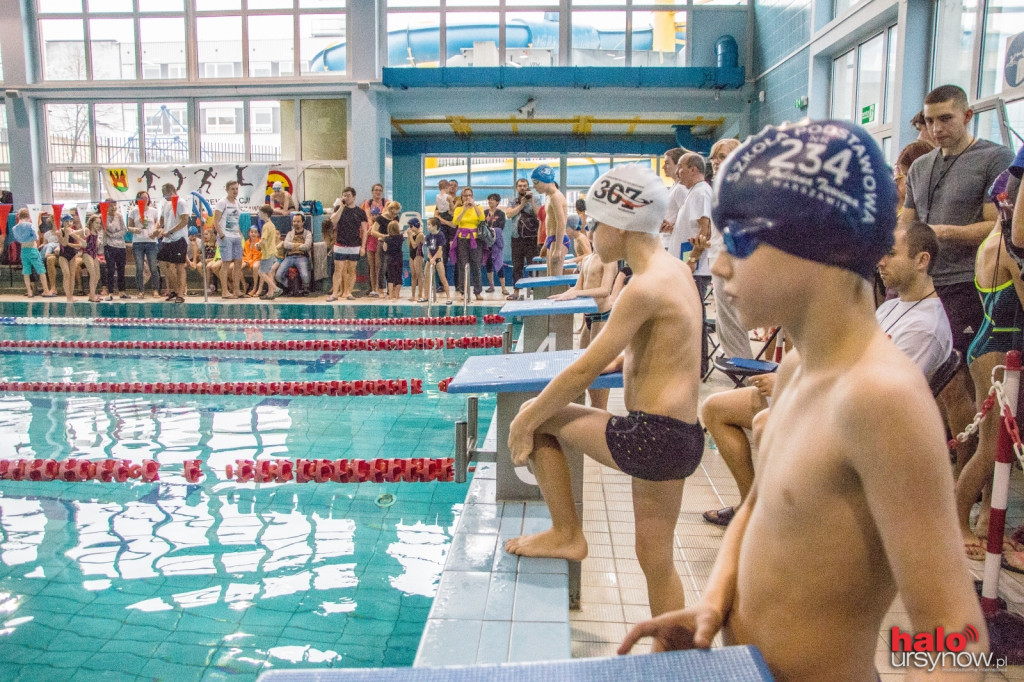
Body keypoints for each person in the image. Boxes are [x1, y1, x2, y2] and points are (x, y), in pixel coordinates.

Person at [621, 120, 988, 679]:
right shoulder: (797, 370)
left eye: (739, 240)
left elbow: (955, 630)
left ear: (818, 246)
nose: (718, 263)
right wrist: (713, 603)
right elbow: (756, 506)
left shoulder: (880, 398)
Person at [504, 164, 704, 626]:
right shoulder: (674, 271)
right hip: (682, 437)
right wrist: (626, 363)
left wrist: (526, 418)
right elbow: (669, 348)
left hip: (652, 437)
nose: (591, 232)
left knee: (542, 416)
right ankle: (677, 660)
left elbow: (584, 370)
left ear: (620, 222)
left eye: (595, 222)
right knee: (655, 558)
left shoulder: (643, 287)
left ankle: (567, 532)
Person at [901, 85, 1014, 468]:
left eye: (945, 119)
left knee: (955, 384)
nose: (936, 128)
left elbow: (997, 227)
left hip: (966, 281)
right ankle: (929, 459)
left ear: (967, 116)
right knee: (920, 380)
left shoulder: (994, 158)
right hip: (919, 284)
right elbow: (908, 222)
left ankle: (963, 469)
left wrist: (944, 232)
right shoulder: (920, 167)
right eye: (930, 120)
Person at [955, 179, 1024, 561]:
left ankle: (982, 522)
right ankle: (959, 519)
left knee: (998, 446)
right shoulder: (1005, 250)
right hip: (994, 350)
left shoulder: (993, 242)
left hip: (994, 346)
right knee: (989, 447)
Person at [549, 222, 618, 410]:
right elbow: (578, 287)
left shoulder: (609, 259)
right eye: (589, 228)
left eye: (595, 229)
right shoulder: (587, 259)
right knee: (582, 367)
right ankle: (591, 410)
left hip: (602, 317)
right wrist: (564, 294)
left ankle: (600, 411)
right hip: (588, 318)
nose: (591, 232)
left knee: (598, 370)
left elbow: (605, 290)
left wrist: (577, 294)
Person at [875, 221, 954, 380]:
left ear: (922, 260)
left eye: (891, 253)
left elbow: (890, 392)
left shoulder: (925, 327)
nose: (880, 262)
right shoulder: (888, 307)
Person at [706, 137, 752, 361]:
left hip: (732, 261)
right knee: (727, 324)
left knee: (732, 324)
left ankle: (744, 376)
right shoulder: (723, 186)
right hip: (721, 257)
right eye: (714, 157)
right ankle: (742, 371)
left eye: (722, 156)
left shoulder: (738, 187)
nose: (716, 161)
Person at [669, 153, 713, 299]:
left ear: (693, 170)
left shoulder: (701, 192)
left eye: (680, 168)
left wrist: (693, 260)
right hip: (687, 264)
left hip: (695, 269)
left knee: (694, 314)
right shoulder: (694, 192)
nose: (677, 172)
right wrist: (672, 228)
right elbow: (693, 227)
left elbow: (705, 231)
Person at [328, 187, 367, 302]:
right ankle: (335, 294)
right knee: (338, 269)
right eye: (344, 195)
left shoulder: (360, 212)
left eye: (348, 195)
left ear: (354, 197)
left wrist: (363, 246)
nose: (345, 197)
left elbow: (364, 230)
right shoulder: (338, 208)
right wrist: (341, 207)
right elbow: (333, 221)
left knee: (351, 269)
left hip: (354, 245)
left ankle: (348, 292)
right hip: (340, 243)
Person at [506, 177, 541, 298]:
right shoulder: (513, 200)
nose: (523, 188)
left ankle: (536, 291)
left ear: (528, 187)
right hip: (516, 237)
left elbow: (539, 215)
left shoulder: (536, 198)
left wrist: (531, 201)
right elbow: (509, 214)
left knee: (534, 265)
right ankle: (516, 291)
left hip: (531, 238)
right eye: (520, 186)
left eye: (525, 186)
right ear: (517, 187)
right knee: (517, 266)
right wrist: (522, 204)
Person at [156, 183, 191, 303]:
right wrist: (158, 228)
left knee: (179, 266)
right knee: (162, 263)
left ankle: (180, 294)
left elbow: (184, 220)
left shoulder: (181, 202)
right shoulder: (166, 204)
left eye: (165, 193)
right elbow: (162, 219)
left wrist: (170, 231)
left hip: (179, 238)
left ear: (171, 191)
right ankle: (176, 290)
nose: (163, 196)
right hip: (167, 239)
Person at [531, 165, 568, 276]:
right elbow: (550, 224)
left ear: (545, 180)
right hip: (552, 239)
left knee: (555, 280)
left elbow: (561, 223)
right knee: (550, 278)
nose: (534, 186)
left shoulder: (556, 197)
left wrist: (557, 249)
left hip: (558, 240)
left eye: (536, 182)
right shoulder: (549, 197)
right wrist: (545, 244)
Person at [213, 180, 245, 299]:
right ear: (227, 190)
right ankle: (225, 291)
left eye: (236, 189)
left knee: (238, 263)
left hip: (236, 236)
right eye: (232, 189)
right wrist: (221, 235)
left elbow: (236, 221)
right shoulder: (222, 203)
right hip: (226, 236)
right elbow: (215, 220)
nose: (235, 191)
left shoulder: (237, 203)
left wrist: (240, 235)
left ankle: (236, 290)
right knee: (225, 264)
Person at [452, 188, 484, 300]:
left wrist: (474, 205)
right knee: (463, 265)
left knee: (476, 265)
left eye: (470, 195)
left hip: (475, 239)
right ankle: (463, 291)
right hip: (462, 239)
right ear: (462, 197)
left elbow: (482, 218)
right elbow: (455, 222)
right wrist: (464, 209)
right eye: (465, 196)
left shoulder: (478, 207)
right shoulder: (458, 209)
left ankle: (478, 291)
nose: (468, 197)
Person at [127, 190, 160, 298]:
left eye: (146, 198)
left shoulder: (153, 211)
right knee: (139, 268)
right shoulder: (133, 211)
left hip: (151, 242)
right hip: (138, 242)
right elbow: (129, 227)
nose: (144, 200)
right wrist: (135, 230)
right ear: (138, 200)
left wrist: (155, 232)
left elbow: (157, 225)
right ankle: (141, 291)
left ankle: (156, 290)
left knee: (153, 267)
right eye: (142, 198)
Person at [15, 208, 55, 298]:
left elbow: (17, 239)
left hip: (23, 250)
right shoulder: (30, 225)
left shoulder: (16, 227)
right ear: (28, 216)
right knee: (41, 270)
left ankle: (29, 291)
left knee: (26, 271)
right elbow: (35, 237)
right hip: (32, 250)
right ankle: (46, 290)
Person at [275, 213, 312, 296]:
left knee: (305, 275)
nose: (295, 223)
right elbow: (285, 245)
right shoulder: (290, 233)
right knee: (278, 276)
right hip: (289, 257)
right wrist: (298, 245)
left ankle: (305, 288)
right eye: (294, 221)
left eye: (298, 221)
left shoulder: (308, 233)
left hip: (302, 257)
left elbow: (307, 246)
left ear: (303, 222)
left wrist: (292, 246)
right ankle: (290, 286)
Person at [362, 183, 388, 297]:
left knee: (379, 265)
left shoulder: (385, 202)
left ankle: (379, 287)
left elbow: (382, 217)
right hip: (370, 235)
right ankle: (373, 289)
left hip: (379, 234)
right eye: (376, 190)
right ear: (372, 191)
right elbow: (368, 216)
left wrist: (374, 228)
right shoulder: (367, 203)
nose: (377, 192)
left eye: (380, 190)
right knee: (371, 265)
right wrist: (372, 228)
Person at [660, 148, 688, 251]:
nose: (663, 167)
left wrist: (672, 227)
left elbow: (689, 219)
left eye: (667, 163)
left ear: (678, 165)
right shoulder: (674, 187)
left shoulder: (681, 189)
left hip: (675, 244)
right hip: (667, 242)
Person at [482, 193, 508, 295]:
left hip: (496, 242)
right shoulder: (484, 213)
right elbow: (481, 225)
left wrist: (491, 230)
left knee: (499, 263)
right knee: (488, 263)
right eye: (489, 199)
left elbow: (501, 227)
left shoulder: (501, 213)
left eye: (493, 199)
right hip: (486, 242)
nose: (490, 201)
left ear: (497, 202)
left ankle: (503, 287)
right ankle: (491, 286)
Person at [56, 213, 85, 303]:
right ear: (63, 222)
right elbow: (64, 244)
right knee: (67, 275)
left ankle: (71, 296)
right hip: (63, 256)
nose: (69, 223)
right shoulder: (59, 231)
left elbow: (81, 243)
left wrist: (82, 240)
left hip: (72, 255)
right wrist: (67, 234)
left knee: (72, 275)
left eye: (70, 221)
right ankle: (68, 297)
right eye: (67, 221)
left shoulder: (73, 231)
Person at [102, 202, 128, 300]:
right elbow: (109, 228)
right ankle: (111, 292)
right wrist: (114, 232)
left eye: (115, 205)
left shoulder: (120, 216)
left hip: (121, 245)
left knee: (121, 269)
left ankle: (122, 291)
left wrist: (113, 235)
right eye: (111, 206)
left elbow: (124, 230)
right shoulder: (104, 217)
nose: (114, 208)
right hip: (109, 245)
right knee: (111, 269)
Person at [425, 217, 452, 305]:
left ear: (435, 226)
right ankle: (426, 296)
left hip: (438, 259)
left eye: (429, 225)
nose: (427, 226)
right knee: (426, 277)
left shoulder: (440, 235)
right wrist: (430, 259)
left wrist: (434, 258)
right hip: (430, 260)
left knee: (442, 278)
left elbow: (440, 249)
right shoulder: (428, 236)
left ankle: (448, 297)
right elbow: (428, 249)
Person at [257, 219, 283, 300]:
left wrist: (260, 245)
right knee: (267, 272)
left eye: (278, 234)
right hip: (271, 258)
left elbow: (274, 249)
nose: (276, 235)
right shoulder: (270, 243)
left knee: (267, 271)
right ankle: (270, 292)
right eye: (275, 234)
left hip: (278, 260)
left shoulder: (281, 242)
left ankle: (274, 290)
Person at [81, 215, 103, 302]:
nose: (98, 225)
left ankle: (91, 294)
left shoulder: (97, 232)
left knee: (97, 275)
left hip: (94, 254)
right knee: (93, 274)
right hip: (87, 253)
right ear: (91, 222)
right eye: (96, 223)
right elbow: (74, 233)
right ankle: (92, 296)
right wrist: (81, 241)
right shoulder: (87, 230)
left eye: (99, 223)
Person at [382, 220, 405, 300]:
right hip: (399, 257)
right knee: (398, 275)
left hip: (390, 258)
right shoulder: (401, 237)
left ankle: (390, 294)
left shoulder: (387, 238)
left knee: (390, 276)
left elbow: (384, 249)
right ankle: (397, 294)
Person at [406, 217, 426, 302]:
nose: (409, 228)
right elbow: (408, 245)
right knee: (413, 275)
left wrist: (410, 235)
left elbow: (415, 245)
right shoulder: (413, 235)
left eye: (411, 226)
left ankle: (420, 294)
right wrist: (409, 236)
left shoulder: (421, 235)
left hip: (418, 255)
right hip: (411, 255)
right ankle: (413, 295)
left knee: (419, 275)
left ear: (415, 226)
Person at [242, 224, 262, 296]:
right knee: (238, 267)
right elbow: (246, 254)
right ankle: (244, 284)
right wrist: (248, 261)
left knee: (255, 266)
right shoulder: (247, 242)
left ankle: (254, 287)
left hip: (258, 259)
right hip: (248, 259)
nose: (253, 234)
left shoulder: (260, 242)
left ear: (258, 234)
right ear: (249, 233)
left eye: (255, 232)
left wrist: (250, 261)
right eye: (252, 232)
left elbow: (259, 255)